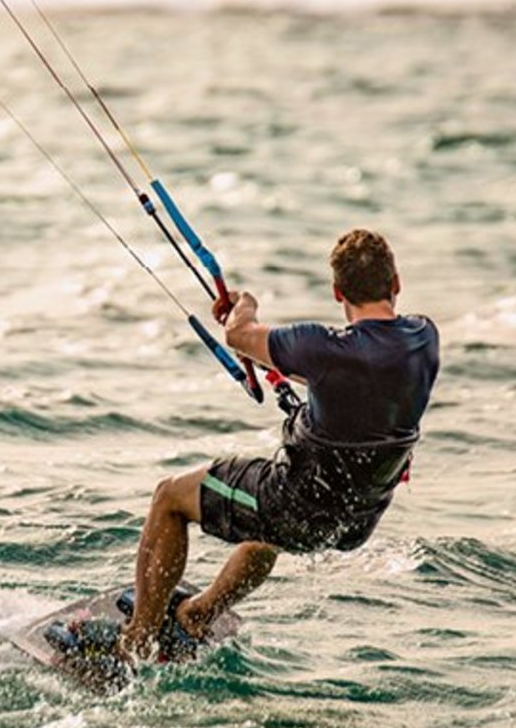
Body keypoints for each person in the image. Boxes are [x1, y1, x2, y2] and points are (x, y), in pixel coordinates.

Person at [117, 228, 439, 661]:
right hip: (356, 520)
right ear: (396, 284)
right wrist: (281, 359)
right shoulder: (423, 338)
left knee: (170, 497)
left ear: (336, 291)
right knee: (261, 533)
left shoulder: (319, 347)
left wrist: (243, 304)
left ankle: (137, 640)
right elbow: (350, 376)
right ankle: (198, 613)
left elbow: (239, 334)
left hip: (296, 504)